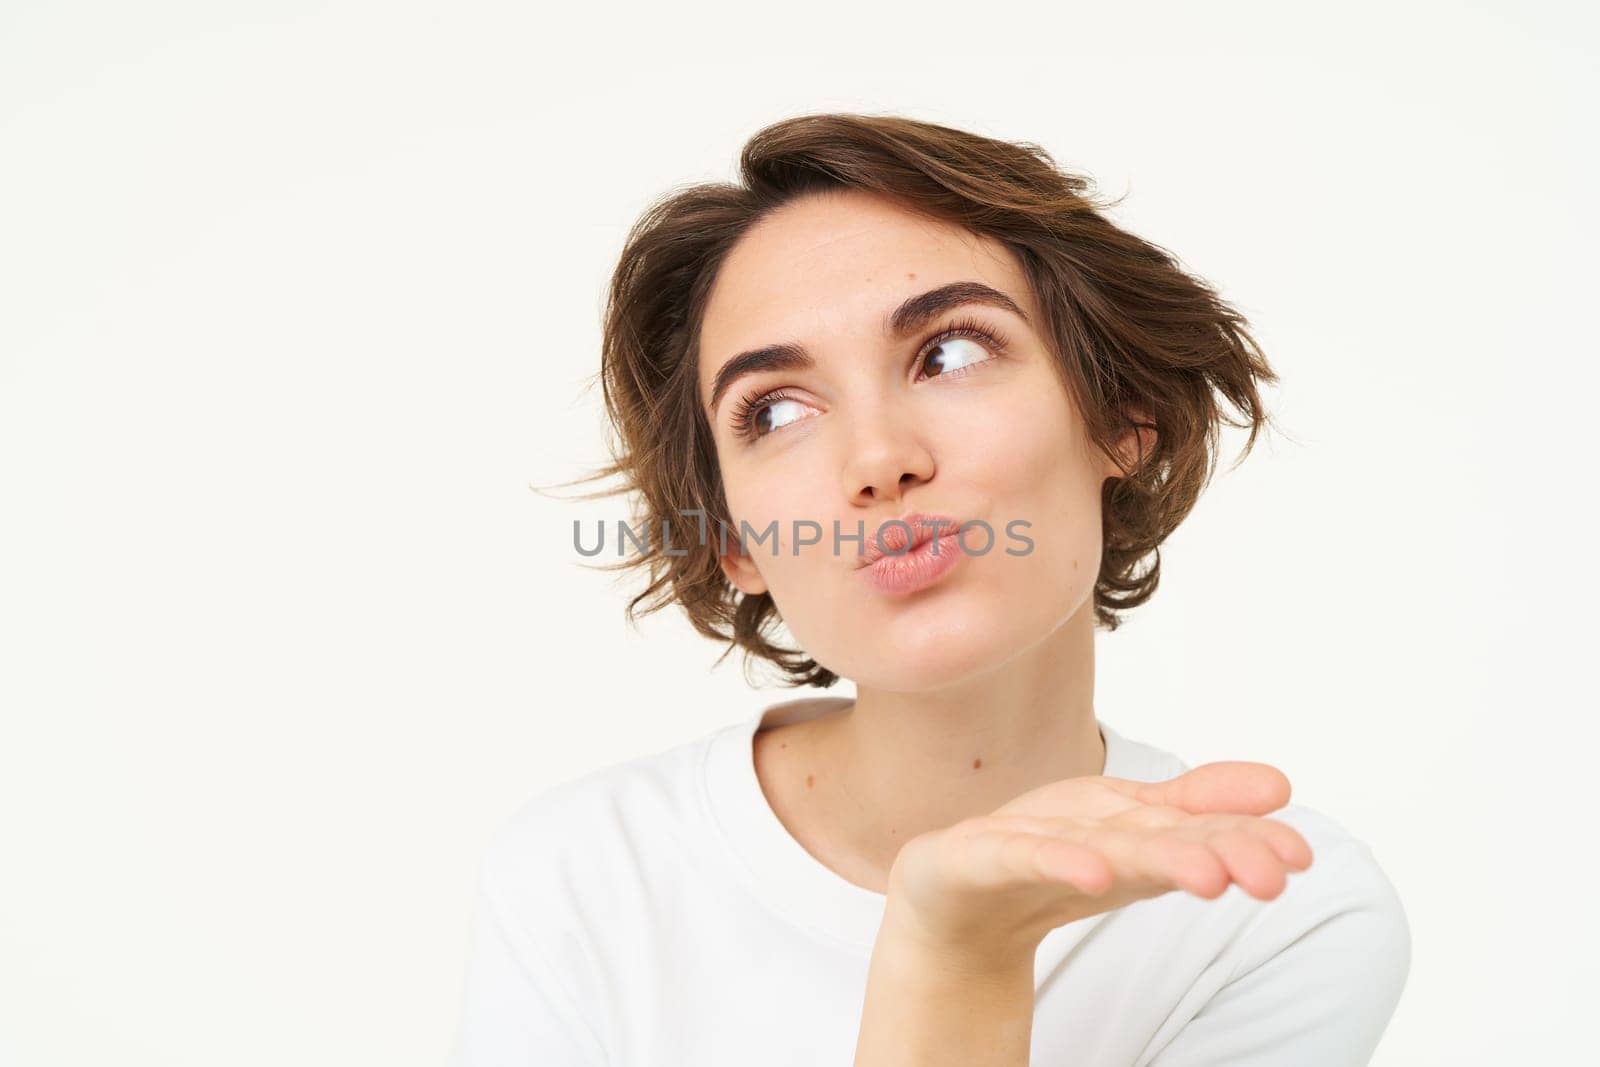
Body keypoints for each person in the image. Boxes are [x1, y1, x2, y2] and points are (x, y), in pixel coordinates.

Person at [448, 113, 1411, 1066]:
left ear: (1123, 412)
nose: (878, 461)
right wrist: (952, 953)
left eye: (949, 353)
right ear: (734, 539)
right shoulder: (582, 879)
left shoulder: (1273, 910)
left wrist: (965, 953)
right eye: (775, 410)